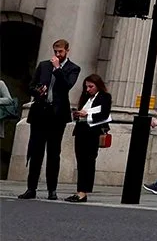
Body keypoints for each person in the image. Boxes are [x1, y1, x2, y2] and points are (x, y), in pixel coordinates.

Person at [20, 37, 80, 199]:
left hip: (57, 116)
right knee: (35, 151)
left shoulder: (73, 68)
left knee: (54, 153)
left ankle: (51, 190)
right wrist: (38, 90)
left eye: (60, 52)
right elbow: (31, 86)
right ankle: (31, 188)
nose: (57, 54)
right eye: (55, 52)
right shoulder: (44, 65)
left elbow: (67, 85)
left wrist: (58, 68)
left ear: (67, 51)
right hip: (40, 113)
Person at [66, 72, 111, 203]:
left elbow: (104, 114)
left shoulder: (104, 97)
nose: (88, 89)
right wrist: (77, 115)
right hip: (81, 131)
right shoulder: (86, 97)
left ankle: (83, 191)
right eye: (86, 86)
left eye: (91, 86)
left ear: (98, 86)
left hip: (93, 132)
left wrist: (87, 115)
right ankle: (80, 190)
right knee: (80, 161)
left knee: (88, 161)